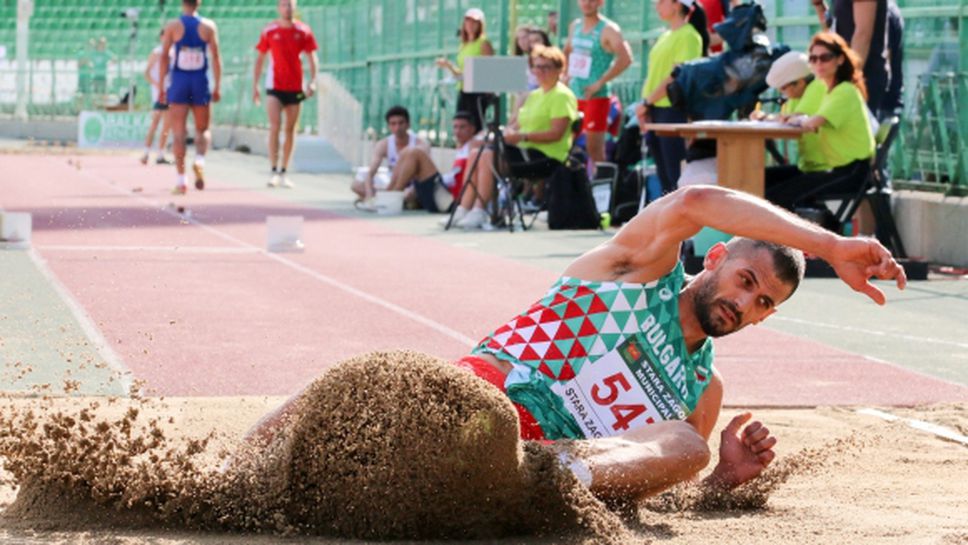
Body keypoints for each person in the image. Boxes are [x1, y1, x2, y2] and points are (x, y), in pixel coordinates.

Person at [247, 184, 907, 504]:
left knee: (686, 443)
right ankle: (234, 476)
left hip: (538, 474)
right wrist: (828, 244)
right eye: (745, 280)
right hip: (474, 407)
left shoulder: (704, 389)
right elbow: (698, 196)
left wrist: (722, 479)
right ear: (715, 257)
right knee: (372, 373)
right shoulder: (636, 269)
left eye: (764, 302)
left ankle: (534, 480)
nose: (745, 302)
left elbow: (666, 490)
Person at [448, 45, 578, 230]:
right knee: (478, 150)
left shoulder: (562, 96)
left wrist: (521, 137)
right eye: (537, 67)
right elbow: (516, 125)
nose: (540, 71)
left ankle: (480, 209)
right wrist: (499, 135)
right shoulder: (533, 95)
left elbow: (556, 134)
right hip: (525, 150)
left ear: (559, 69)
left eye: (546, 67)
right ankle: (464, 207)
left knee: (487, 156)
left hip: (547, 157)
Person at [765, 32, 875, 214]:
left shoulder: (844, 90)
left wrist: (795, 118)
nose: (818, 64)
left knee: (778, 197)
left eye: (825, 58)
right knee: (762, 182)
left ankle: (799, 241)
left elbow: (812, 123)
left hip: (852, 172)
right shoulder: (827, 89)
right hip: (838, 169)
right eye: (813, 59)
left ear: (840, 60)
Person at [635, 0, 707, 194]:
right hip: (654, 108)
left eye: (661, 2)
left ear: (676, 5)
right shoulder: (665, 35)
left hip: (672, 109)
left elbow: (676, 76)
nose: (657, 6)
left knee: (675, 171)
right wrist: (646, 106)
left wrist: (647, 102)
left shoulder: (690, 36)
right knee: (663, 172)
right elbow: (654, 74)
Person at [253, 0, 319, 189]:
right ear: (278, 8)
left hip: (295, 87)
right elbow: (260, 58)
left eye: (290, 5)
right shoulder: (270, 31)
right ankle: (273, 170)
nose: (287, 8)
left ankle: (284, 171)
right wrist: (255, 85)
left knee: (290, 129)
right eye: (284, 5)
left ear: (295, 7)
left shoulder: (303, 31)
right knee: (275, 126)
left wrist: (313, 81)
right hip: (275, 86)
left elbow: (312, 57)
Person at [158, 0, 222, 195]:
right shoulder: (208, 26)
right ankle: (199, 160)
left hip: (179, 81)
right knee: (203, 129)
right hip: (199, 81)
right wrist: (217, 85)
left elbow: (164, 57)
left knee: (178, 132)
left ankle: (181, 180)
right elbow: (216, 57)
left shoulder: (173, 26)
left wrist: (162, 86)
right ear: (198, 3)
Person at [563, 0, 633, 165]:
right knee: (567, 144)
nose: (587, 3)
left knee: (594, 148)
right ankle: (574, 186)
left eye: (592, 0)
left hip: (596, 96)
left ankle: (600, 187)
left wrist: (600, 82)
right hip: (574, 95)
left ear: (600, 2)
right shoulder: (576, 26)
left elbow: (626, 58)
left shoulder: (608, 29)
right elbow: (567, 51)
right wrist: (565, 75)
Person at [376, 111, 481, 213]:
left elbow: (485, 140)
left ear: (472, 129)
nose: (457, 131)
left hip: (450, 200)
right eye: (455, 127)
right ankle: (389, 193)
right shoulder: (461, 148)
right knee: (406, 152)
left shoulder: (474, 144)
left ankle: (394, 196)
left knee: (416, 152)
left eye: (462, 127)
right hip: (442, 192)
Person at [756, 51, 830, 182]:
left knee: (766, 186)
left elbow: (795, 118)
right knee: (761, 180)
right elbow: (785, 119)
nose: (781, 93)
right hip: (810, 166)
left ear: (800, 83)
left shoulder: (818, 87)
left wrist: (764, 117)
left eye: (783, 88)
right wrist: (767, 117)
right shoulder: (797, 95)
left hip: (826, 168)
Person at [812, 0, 890, 114]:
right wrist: (819, 5)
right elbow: (831, 32)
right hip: (844, 77)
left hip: (864, 76)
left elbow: (863, 35)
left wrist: (849, 77)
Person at [351, 106, 431, 207]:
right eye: (393, 124)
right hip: (392, 183)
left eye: (401, 123)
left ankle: (389, 199)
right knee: (356, 185)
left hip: (412, 185)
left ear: (408, 124)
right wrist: (369, 194)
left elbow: (424, 175)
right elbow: (371, 172)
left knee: (411, 193)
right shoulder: (383, 144)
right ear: (389, 126)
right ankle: (390, 199)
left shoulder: (420, 144)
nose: (397, 128)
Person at [435, 8, 494, 133]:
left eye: (475, 22)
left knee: (475, 126)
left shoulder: (483, 43)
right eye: (468, 21)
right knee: (461, 124)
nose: (471, 25)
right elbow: (461, 73)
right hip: (463, 90)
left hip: (477, 92)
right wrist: (448, 66)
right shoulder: (463, 45)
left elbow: (489, 70)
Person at [141, 31, 172, 166]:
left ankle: (160, 154)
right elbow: (147, 73)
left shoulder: (174, 52)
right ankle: (146, 153)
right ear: (161, 37)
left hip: (171, 92)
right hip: (159, 94)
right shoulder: (157, 52)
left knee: (167, 125)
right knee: (155, 123)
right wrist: (158, 85)